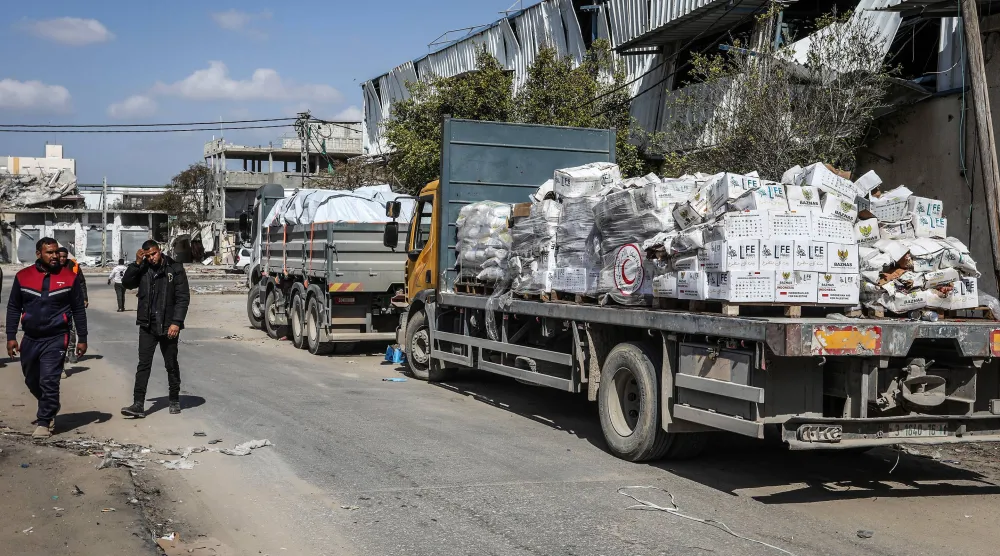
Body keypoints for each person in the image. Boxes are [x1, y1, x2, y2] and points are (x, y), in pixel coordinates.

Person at [6, 238, 88, 439]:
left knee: (49, 380)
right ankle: (50, 404)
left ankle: (44, 421)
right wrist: (11, 336)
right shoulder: (23, 276)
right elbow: (14, 307)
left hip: (57, 337)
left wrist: (82, 338)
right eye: (49, 253)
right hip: (31, 338)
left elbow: (78, 309)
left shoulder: (69, 277)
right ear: (38, 254)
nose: (54, 256)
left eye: (55, 252)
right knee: (31, 378)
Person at [120, 240, 190, 418]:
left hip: (168, 325)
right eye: (148, 255)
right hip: (147, 324)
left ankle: (174, 398)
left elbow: (183, 297)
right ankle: (138, 404)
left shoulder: (175, 268)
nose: (152, 258)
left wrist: (176, 322)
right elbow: (127, 283)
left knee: (171, 364)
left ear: (160, 251)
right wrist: (136, 264)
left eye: (154, 254)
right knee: (143, 365)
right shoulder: (142, 268)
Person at [57, 247, 88, 366]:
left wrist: (84, 298)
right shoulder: (52, 266)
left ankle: (70, 351)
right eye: (60, 256)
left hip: (72, 301)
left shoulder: (73, 266)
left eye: (64, 256)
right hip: (57, 303)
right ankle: (61, 353)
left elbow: (81, 282)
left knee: (72, 328)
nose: (62, 259)